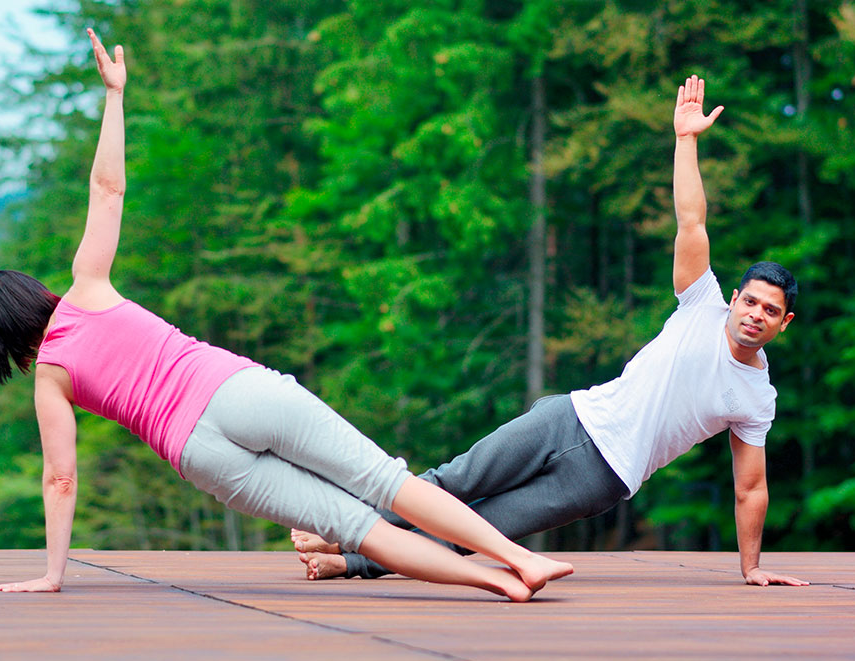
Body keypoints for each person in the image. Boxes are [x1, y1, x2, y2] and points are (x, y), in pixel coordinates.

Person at [0, 29, 574, 601]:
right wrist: (114, 95)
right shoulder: (86, 286)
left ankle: (497, 584)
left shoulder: (51, 377)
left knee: (353, 525)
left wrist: (53, 573)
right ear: (36, 294)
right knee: (387, 483)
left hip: (198, 453)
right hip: (234, 391)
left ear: (7, 343)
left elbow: (61, 477)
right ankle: (517, 558)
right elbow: (108, 190)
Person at [292, 75, 810, 588]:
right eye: (749, 301)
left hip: (602, 477)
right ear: (734, 299)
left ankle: (350, 561)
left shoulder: (756, 398)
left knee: (481, 528)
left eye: (769, 310)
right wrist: (685, 140)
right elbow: (691, 221)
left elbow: (751, 488)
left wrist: (752, 567)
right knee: (453, 481)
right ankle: (337, 527)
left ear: (782, 324)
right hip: (569, 417)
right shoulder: (702, 304)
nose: (754, 314)